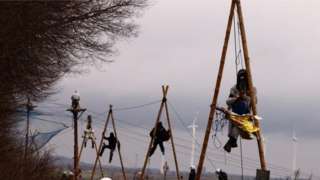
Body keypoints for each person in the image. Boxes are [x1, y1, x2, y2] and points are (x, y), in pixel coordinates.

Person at [224, 69, 257, 153]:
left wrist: (246, 97)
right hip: (236, 112)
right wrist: (237, 98)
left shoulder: (252, 89)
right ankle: (232, 141)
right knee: (237, 124)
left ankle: (232, 141)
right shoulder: (234, 89)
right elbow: (228, 101)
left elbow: (254, 102)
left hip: (245, 114)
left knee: (240, 124)